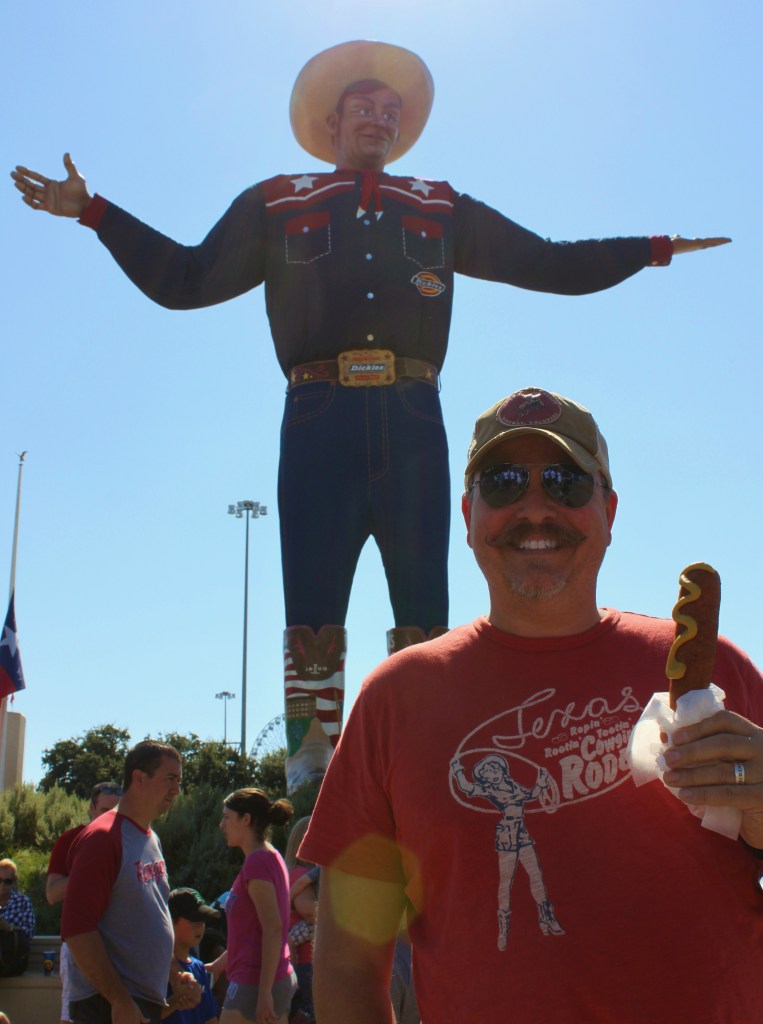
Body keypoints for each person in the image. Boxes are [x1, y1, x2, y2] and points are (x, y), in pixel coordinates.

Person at [10, 41, 730, 793]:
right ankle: (309, 785)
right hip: (316, 412)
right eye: (364, 108)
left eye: (391, 112)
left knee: (424, 608)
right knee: (312, 612)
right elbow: (185, 280)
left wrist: (650, 249)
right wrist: (93, 212)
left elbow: (545, 263)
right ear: (332, 120)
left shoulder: (438, 203)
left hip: (412, 411)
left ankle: (426, 768)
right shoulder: (278, 199)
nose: (379, 120)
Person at [300, 386, 763, 1022]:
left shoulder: (719, 674)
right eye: (505, 482)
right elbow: (351, 964)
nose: (536, 507)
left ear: (610, 510)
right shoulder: (395, 700)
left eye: (568, 483)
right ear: (467, 512)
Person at [61, 740, 201, 1024]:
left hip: (136, 1002)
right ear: (139, 778)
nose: (177, 789)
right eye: (170, 779)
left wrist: (175, 976)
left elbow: (150, 918)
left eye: (179, 781)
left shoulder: (151, 837)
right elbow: (76, 929)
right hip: (104, 1005)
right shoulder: (102, 838)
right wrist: (119, 999)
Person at [208, 789, 296, 1024]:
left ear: (246, 819)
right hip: (267, 977)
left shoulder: (257, 862)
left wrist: (265, 991)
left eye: (227, 817)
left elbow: (273, 927)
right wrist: (220, 964)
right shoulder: (268, 856)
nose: (222, 824)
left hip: (255, 982)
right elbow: (252, 930)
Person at [47, 781, 123, 1024]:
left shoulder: (130, 840)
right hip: (81, 945)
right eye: (105, 811)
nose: (112, 818)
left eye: (117, 811)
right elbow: (52, 894)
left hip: (121, 945)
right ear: (91, 808)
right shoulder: (70, 839)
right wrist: (88, 871)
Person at [162, 888, 220, 1024]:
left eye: (203, 918)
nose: (200, 925)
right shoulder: (158, 968)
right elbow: (145, 1015)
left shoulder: (199, 968)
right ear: (171, 921)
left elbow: (210, 1019)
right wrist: (176, 1001)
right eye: (193, 919)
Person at [283, 818, 316, 1023]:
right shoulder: (300, 873)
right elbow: (311, 911)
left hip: (301, 961)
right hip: (306, 962)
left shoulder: (293, 872)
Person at [0, 859, 35, 940]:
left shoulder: (23, 902)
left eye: (7, 881)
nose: (2, 884)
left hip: (11, 950)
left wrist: (9, 928)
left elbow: (30, 931)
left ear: (13, 882)